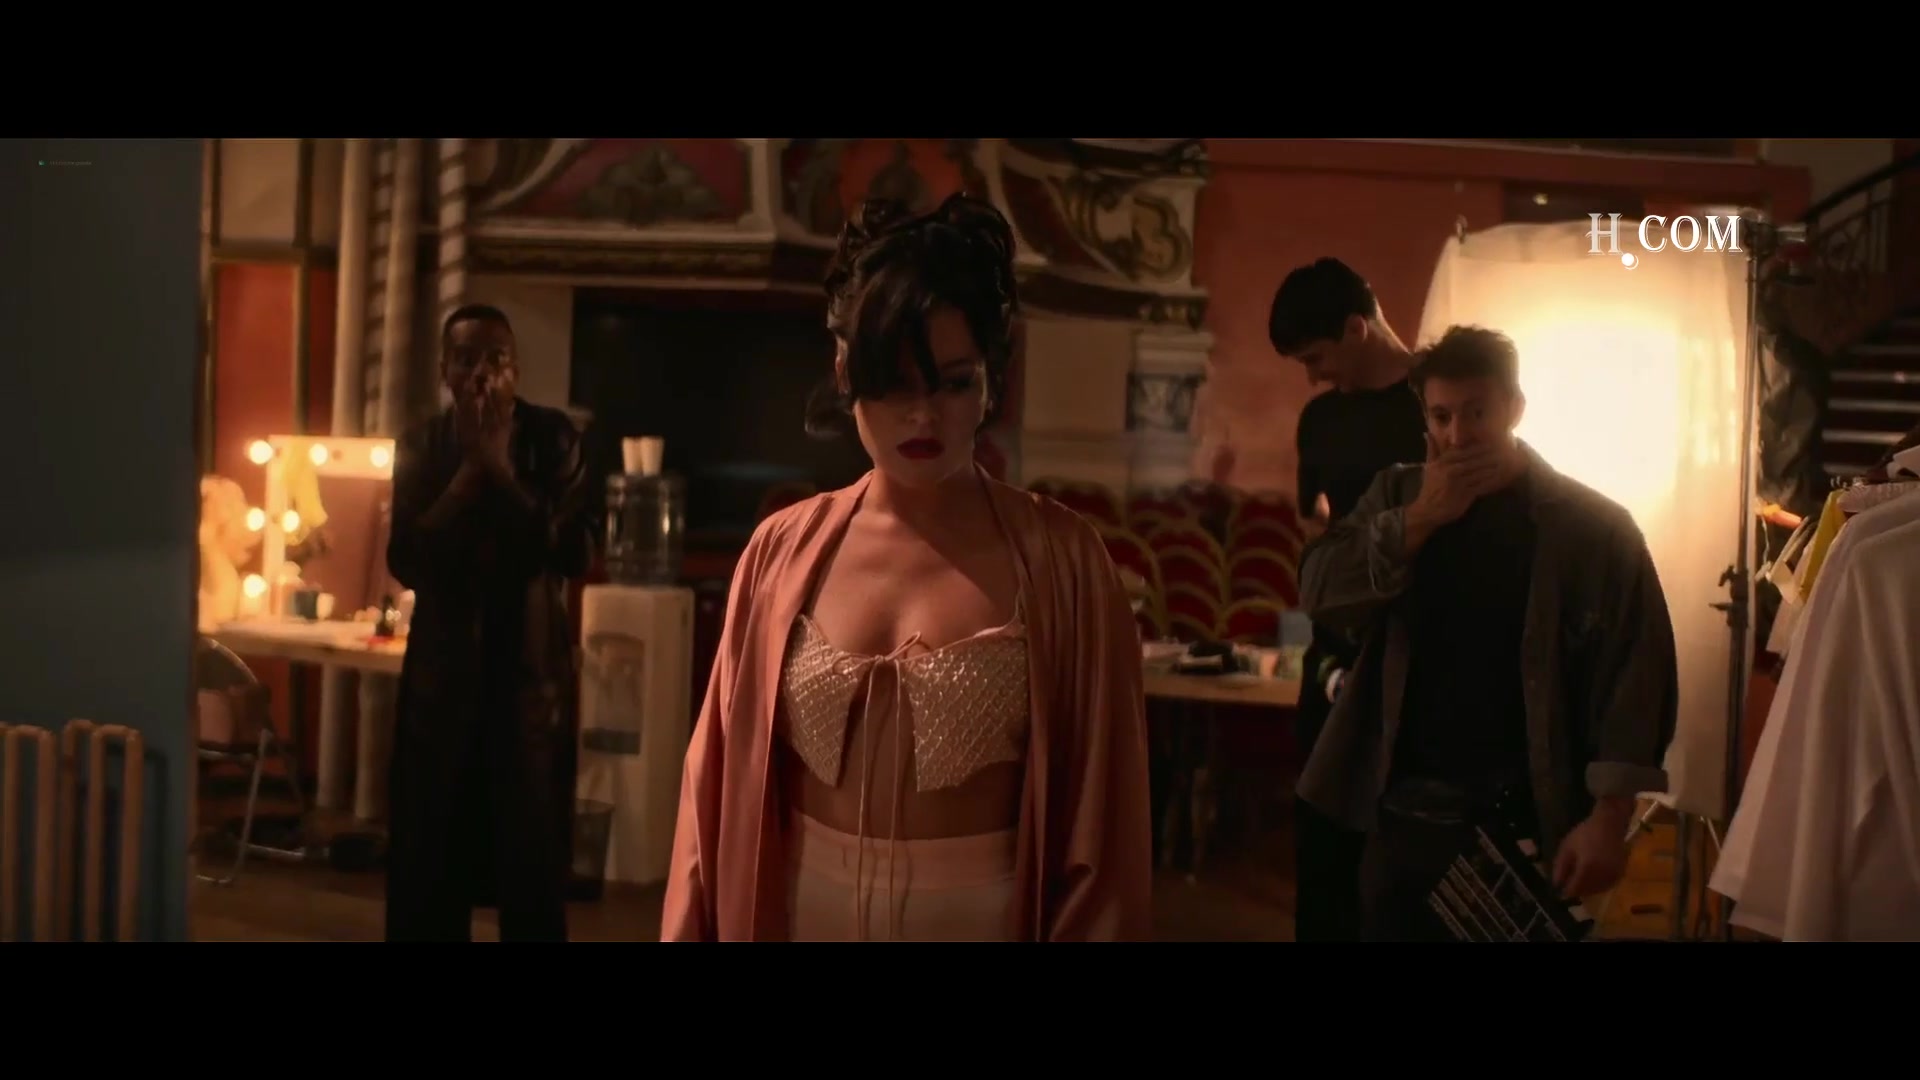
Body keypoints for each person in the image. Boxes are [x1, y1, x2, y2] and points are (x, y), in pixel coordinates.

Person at [661, 193, 1153, 942]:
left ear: (991, 381)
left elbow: (1105, 834)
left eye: (953, 382)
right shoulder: (779, 553)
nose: (924, 416)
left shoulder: (1065, 563)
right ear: (845, 369)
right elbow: (711, 799)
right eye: (896, 380)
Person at [1294, 325, 1678, 942]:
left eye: (1477, 413)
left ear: (1515, 408)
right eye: (1442, 416)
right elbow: (1318, 589)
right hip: (1402, 815)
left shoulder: (1594, 530)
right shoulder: (1397, 493)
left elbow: (1637, 676)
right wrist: (1421, 518)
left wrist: (1610, 817)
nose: (1458, 435)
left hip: (1526, 818)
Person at [384, 303, 593, 942]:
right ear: (444, 370)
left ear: (516, 370)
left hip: (528, 685)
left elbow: (573, 553)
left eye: (496, 359)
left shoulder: (554, 439)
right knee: (428, 870)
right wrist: (467, 478)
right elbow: (406, 560)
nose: (481, 374)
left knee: (531, 872)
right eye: (466, 358)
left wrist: (500, 472)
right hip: (440, 686)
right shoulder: (422, 444)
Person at [1268, 257, 1426, 942]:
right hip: (1335, 658)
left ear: (1358, 328)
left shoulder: (1436, 404)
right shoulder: (1321, 420)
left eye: (1317, 358)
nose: (1313, 377)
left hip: (1416, 658)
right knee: (1323, 857)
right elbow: (1317, 527)